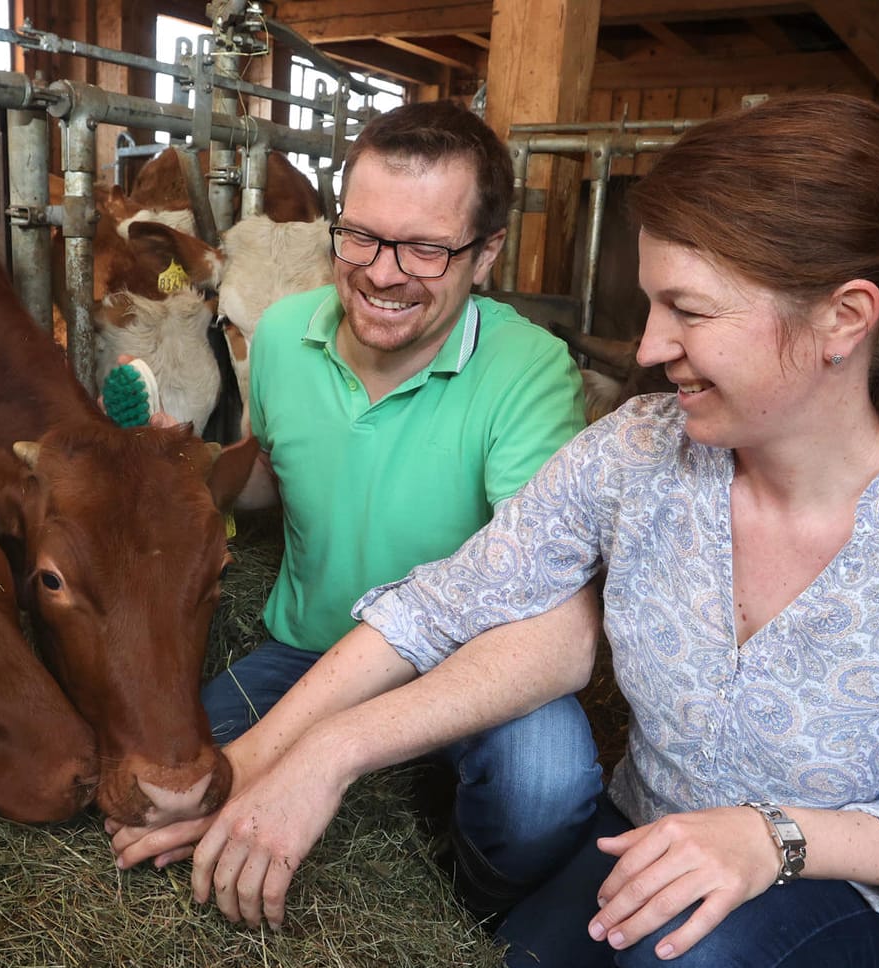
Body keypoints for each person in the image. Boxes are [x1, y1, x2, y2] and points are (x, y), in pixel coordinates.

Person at [115, 93, 879, 968]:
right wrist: (290, 757)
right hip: (648, 829)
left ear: (844, 317)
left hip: (845, 880)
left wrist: (775, 840)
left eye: (690, 310)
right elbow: (444, 603)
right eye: (653, 303)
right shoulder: (641, 449)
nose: (650, 345)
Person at [109, 100, 600, 916]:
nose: (380, 271)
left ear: (485, 257)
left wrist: (317, 752)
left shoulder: (532, 373)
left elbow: (551, 609)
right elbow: (272, 475)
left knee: (544, 791)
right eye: (362, 235)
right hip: (307, 648)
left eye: (426, 248)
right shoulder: (281, 333)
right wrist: (186, 475)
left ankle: (472, 917)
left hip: (467, 664)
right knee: (174, 776)